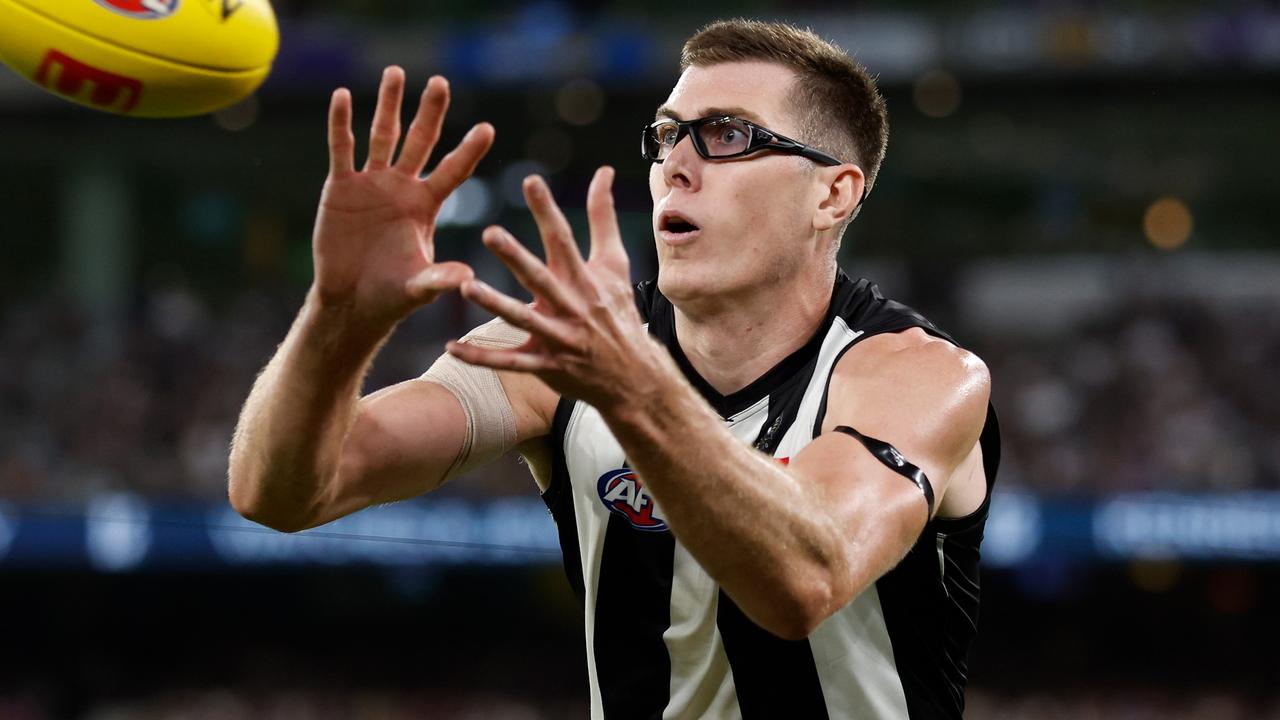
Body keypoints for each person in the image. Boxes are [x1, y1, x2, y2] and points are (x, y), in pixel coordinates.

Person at [229, 18, 999, 720]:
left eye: (726, 135)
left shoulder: (920, 377)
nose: (676, 165)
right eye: (667, 136)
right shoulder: (563, 351)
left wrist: (633, 389)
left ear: (833, 192)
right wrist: (337, 319)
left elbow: (805, 580)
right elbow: (283, 492)